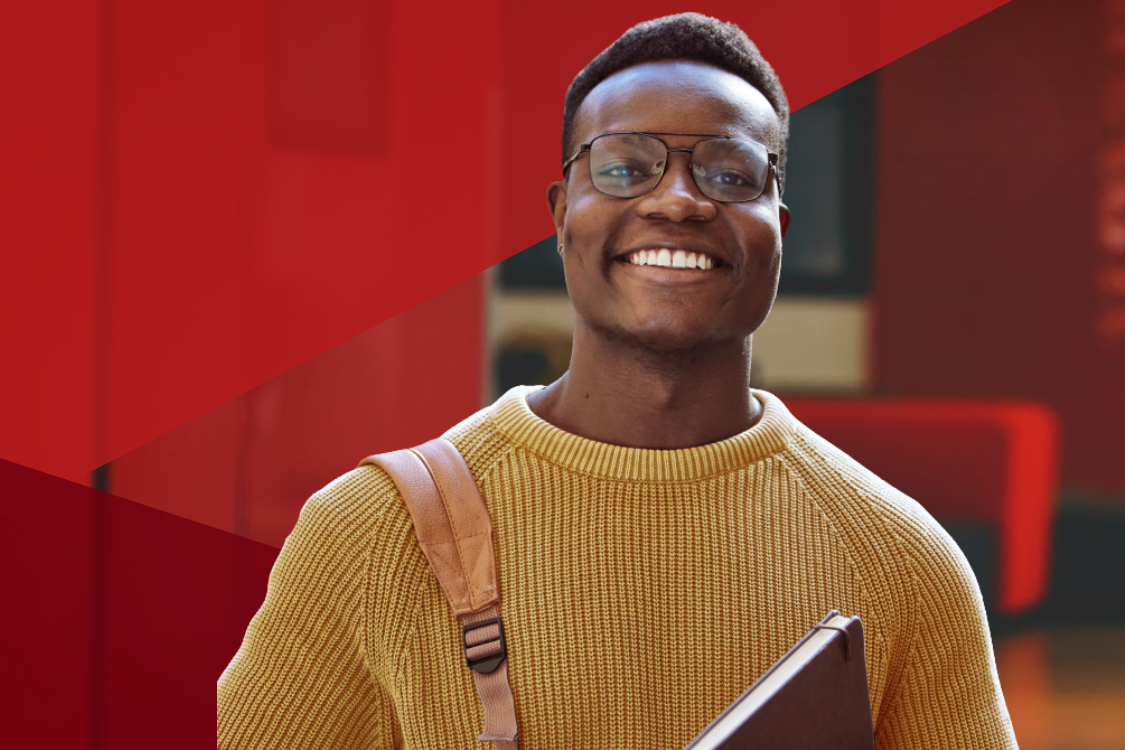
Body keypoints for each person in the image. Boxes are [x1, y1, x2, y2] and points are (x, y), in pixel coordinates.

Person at [218, 13, 1017, 749]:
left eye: (731, 175)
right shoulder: (368, 533)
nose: (676, 200)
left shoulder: (902, 559)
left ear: (777, 228)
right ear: (561, 214)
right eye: (626, 167)